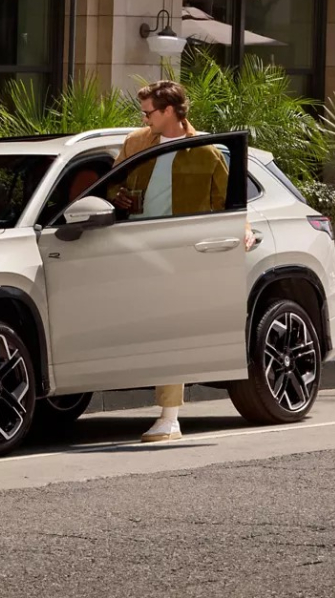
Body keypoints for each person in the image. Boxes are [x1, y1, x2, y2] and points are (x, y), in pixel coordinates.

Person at [112, 80, 230, 443]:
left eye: (148, 112)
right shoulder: (135, 143)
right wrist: (119, 196)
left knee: (169, 332)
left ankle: (169, 417)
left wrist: (242, 231)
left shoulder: (205, 152)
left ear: (169, 112)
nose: (143, 118)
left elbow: (230, 202)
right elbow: (109, 184)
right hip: (135, 248)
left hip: (180, 254)